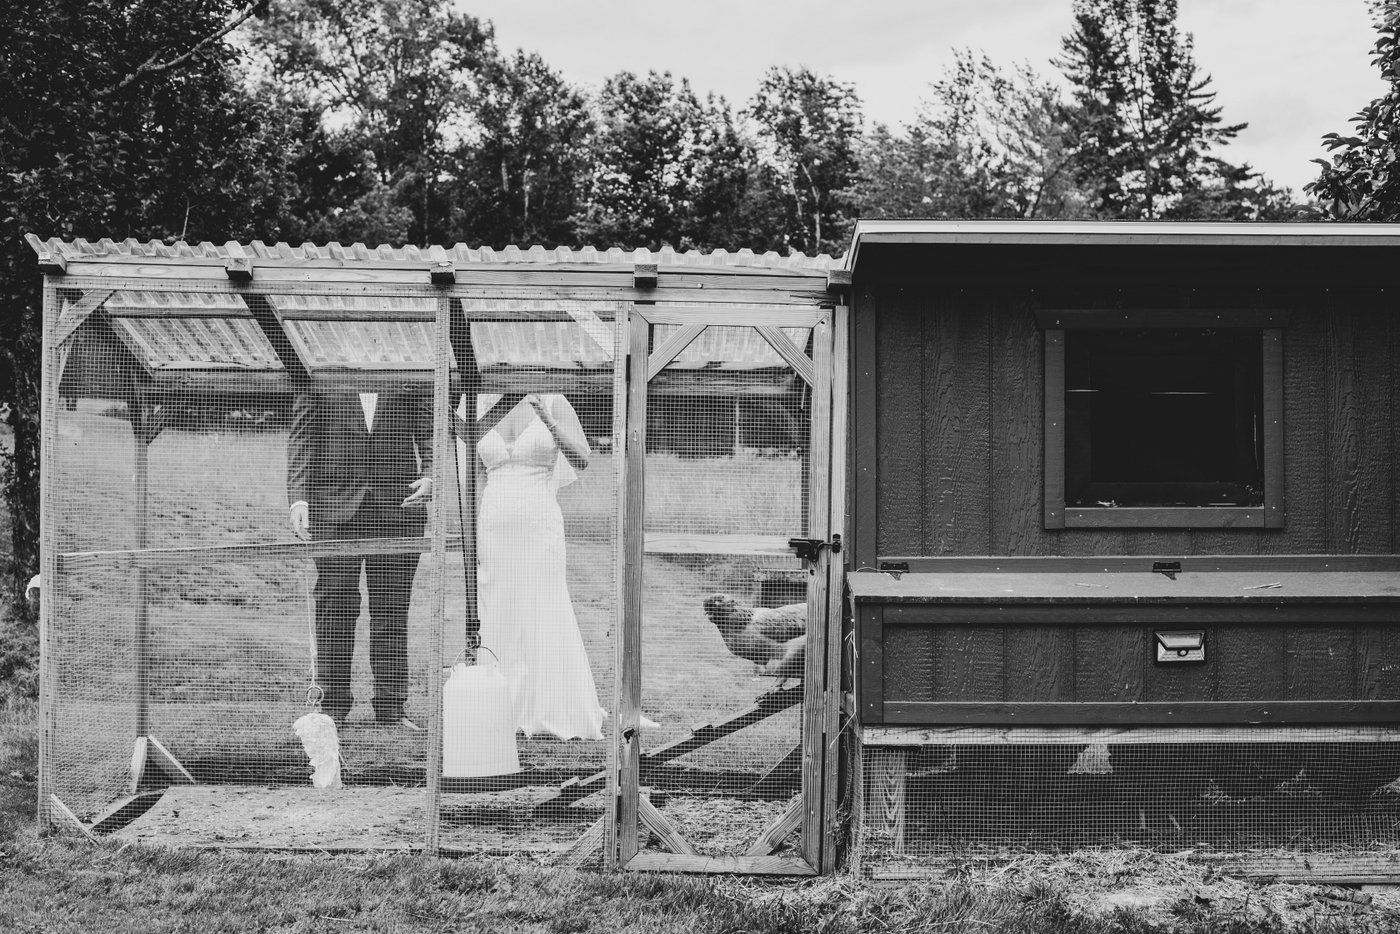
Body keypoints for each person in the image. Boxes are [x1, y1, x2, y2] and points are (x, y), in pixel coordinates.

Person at [288, 388, 433, 729]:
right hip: (334, 509)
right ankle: (333, 706)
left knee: (392, 609)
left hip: (398, 509)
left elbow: (430, 431)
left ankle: (391, 709)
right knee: (335, 608)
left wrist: (430, 474)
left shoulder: (408, 369)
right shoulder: (319, 367)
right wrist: (298, 498)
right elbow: (301, 436)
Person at [469, 391, 605, 740]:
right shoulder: (477, 401)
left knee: (542, 607)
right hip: (495, 522)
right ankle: (500, 707)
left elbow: (582, 460)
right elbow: (472, 474)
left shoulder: (553, 400)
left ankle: (549, 706)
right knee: (499, 609)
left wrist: (548, 420)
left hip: (538, 522)